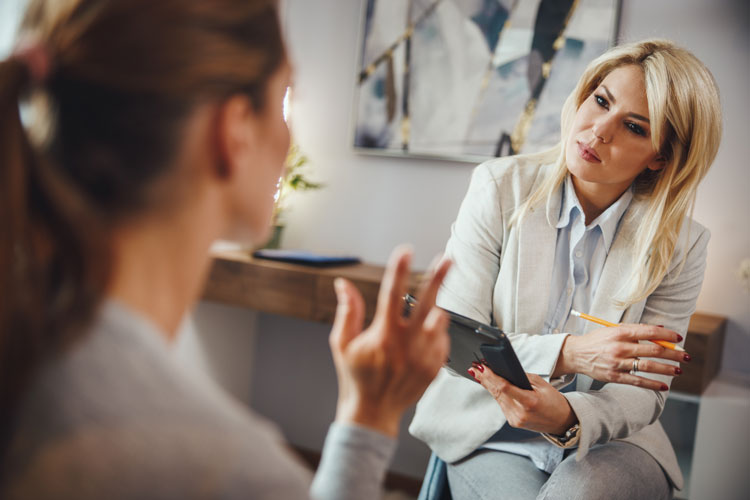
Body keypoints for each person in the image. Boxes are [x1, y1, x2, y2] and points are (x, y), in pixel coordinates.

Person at [0, 1, 453, 498]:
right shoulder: (215, 465)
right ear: (233, 129)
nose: (288, 136)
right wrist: (372, 419)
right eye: (286, 95)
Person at [409, 39, 722, 500]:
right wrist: (571, 354)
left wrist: (569, 417)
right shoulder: (498, 188)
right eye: (601, 100)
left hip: (611, 438)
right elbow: (455, 338)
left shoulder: (683, 244)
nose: (598, 131)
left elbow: (645, 389)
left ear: (660, 157)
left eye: (633, 126)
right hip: (489, 427)